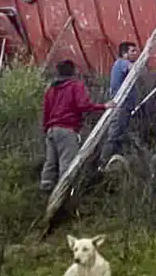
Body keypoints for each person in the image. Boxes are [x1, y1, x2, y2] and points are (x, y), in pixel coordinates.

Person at [41, 60, 112, 193]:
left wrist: (46, 129)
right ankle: (64, 193)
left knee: (50, 162)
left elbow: (46, 111)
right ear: (72, 71)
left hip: (51, 130)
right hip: (66, 130)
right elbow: (83, 105)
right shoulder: (75, 85)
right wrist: (103, 106)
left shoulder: (51, 88)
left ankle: (45, 190)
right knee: (67, 163)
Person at [101, 42, 139, 164]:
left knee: (119, 136)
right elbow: (132, 68)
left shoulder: (120, 64)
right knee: (114, 135)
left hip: (125, 107)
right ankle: (103, 162)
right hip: (120, 107)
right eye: (132, 51)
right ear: (124, 54)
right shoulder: (122, 63)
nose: (136, 53)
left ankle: (114, 162)